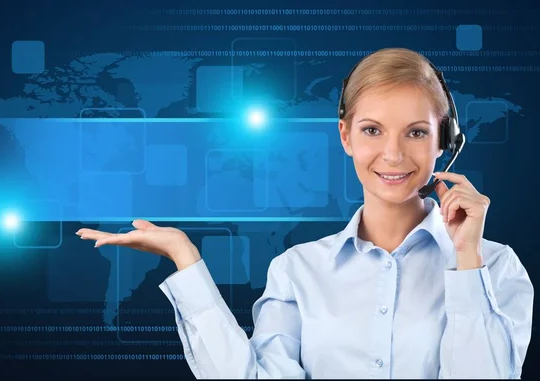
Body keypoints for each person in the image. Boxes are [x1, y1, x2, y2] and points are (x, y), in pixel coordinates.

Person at [76, 47, 534, 379]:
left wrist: (466, 261)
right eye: (372, 129)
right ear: (346, 137)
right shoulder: (298, 269)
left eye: (416, 132)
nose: (392, 154)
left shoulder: (494, 268)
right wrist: (185, 258)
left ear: (445, 141)